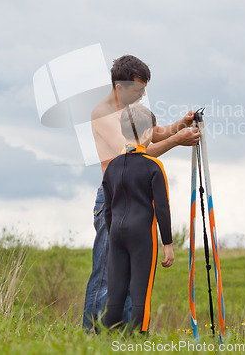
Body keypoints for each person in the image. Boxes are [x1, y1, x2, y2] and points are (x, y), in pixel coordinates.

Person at [82, 55, 200, 331]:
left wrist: (181, 125)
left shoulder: (130, 109)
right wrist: (176, 141)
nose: (143, 95)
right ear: (120, 87)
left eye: (144, 89)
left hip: (135, 200)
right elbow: (134, 154)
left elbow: (153, 133)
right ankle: (90, 337)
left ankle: (120, 337)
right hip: (113, 199)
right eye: (138, 89)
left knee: (130, 274)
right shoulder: (103, 114)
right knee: (105, 276)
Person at [103, 104, 174, 333]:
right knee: (140, 291)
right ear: (147, 134)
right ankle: (138, 339)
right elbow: (162, 208)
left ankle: (109, 339)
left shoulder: (112, 166)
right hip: (142, 234)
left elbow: (108, 209)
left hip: (116, 234)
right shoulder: (154, 166)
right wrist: (168, 244)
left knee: (116, 291)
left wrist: (112, 233)